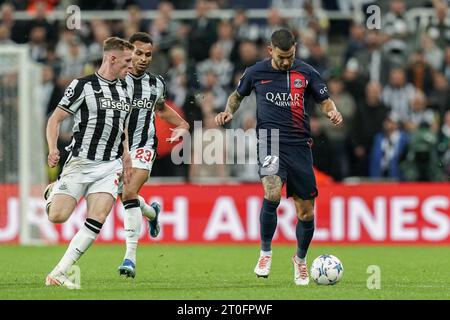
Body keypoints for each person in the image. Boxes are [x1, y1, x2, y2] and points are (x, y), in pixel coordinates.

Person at [215, 29, 343, 285]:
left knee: (305, 212)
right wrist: (227, 111)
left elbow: (324, 99)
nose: (286, 61)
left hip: (299, 146)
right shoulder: (255, 72)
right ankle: (265, 253)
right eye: (282, 56)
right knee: (271, 191)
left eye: (291, 55)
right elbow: (236, 96)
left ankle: (300, 260)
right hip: (270, 141)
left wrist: (333, 111)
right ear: (270, 50)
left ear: (295, 49)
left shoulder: (306, 72)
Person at [44, 37, 134, 288]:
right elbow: (55, 119)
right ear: (111, 58)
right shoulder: (83, 86)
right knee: (58, 216)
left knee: (98, 216)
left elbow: (122, 125)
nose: (131, 66)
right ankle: (52, 192)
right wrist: (53, 148)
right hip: (80, 163)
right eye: (127, 61)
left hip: (110, 165)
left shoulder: (126, 88)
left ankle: (59, 272)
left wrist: (126, 155)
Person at [117, 32, 189, 278]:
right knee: (124, 195)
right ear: (129, 52)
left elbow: (160, 108)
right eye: (139, 53)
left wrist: (183, 124)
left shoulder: (155, 83)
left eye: (149, 54)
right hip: (115, 149)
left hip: (144, 146)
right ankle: (152, 212)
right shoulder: (113, 80)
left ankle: (130, 258)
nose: (144, 58)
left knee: (128, 193)